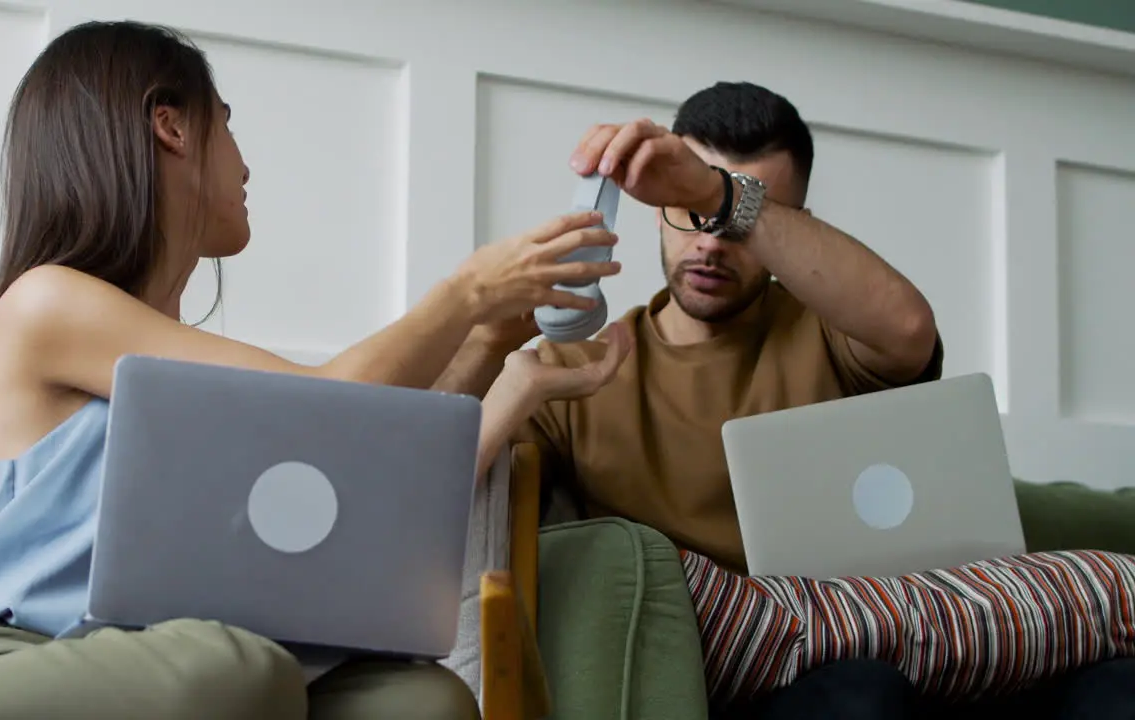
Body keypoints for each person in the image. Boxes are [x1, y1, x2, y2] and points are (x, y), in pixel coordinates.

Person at [0, 20, 636, 720]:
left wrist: (495, 343)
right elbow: (329, 403)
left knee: (422, 700)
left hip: (171, 657)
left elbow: (362, 461)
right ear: (171, 126)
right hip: (16, 657)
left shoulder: (172, 355)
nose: (245, 162)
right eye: (226, 126)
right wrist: (467, 291)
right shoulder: (44, 304)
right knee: (235, 668)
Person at [434, 81, 1135, 719]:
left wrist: (719, 194)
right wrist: (487, 342)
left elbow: (908, 328)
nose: (711, 244)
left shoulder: (830, 332)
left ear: (781, 223)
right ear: (653, 212)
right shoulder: (578, 370)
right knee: (863, 691)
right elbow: (434, 485)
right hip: (748, 678)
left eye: (733, 221)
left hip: (924, 642)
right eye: (687, 211)